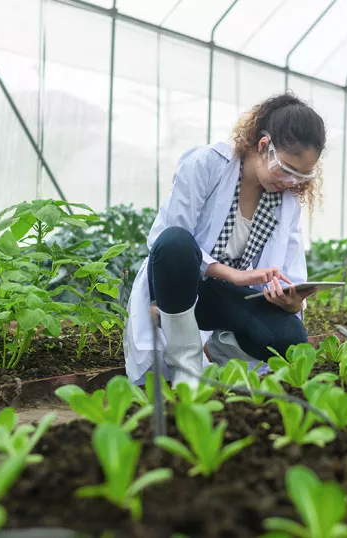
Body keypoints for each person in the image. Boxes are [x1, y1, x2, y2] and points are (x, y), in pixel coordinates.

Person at [123, 93, 325, 388]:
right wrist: (233, 274)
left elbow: (291, 271)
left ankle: (216, 350)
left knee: (290, 338)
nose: (291, 182)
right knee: (175, 243)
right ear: (264, 145)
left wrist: (292, 302)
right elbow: (163, 240)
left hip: (226, 297)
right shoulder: (207, 164)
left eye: (301, 176)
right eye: (286, 169)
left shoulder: (285, 200)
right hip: (179, 288)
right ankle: (186, 365)